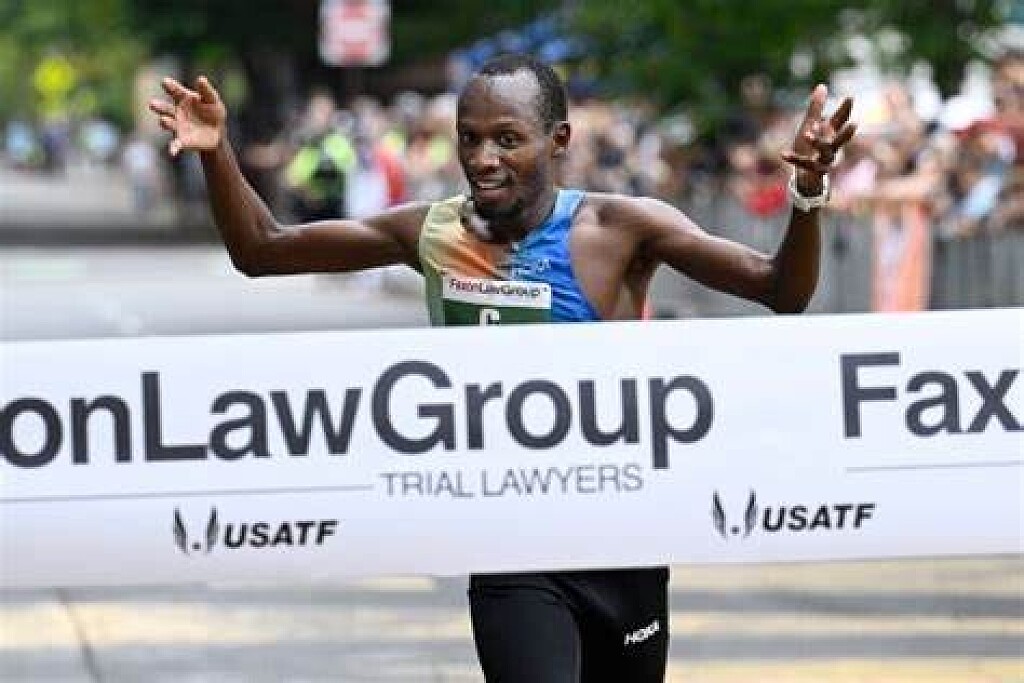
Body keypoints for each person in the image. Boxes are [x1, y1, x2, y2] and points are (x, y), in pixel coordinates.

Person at [149, 53, 855, 683]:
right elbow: (263, 249)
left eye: (507, 140)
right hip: (512, 542)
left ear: (559, 141)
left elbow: (780, 289)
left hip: (624, 539)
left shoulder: (621, 228)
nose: (482, 158)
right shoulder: (432, 231)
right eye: (469, 138)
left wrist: (806, 193)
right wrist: (217, 151)